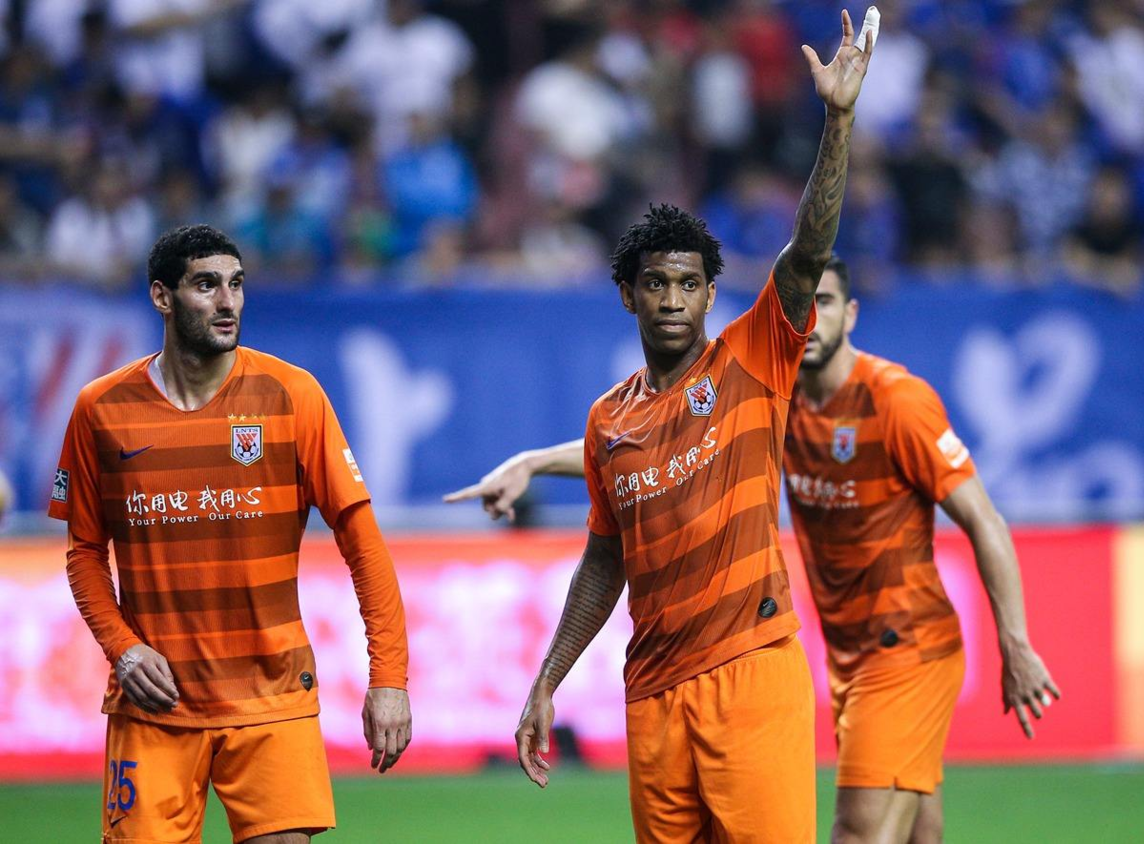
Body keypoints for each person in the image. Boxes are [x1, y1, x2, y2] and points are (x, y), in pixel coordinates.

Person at [447, 253, 1058, 843]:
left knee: (860, 832)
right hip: (846, 654)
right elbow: (643, 453)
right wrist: (533, 462)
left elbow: (985, 520)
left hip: (906, 646)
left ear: (851, 315)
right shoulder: (779, 403)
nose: (812, 318)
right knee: (917, 826)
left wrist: (1016, 642)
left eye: (826, 303)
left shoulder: (894, 401)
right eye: (808, 304)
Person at [451, 11, 875, 842]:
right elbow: (604, 559)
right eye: (655, 284)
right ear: (629, 296)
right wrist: (547, 680)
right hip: (651, 692)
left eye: (688, 283)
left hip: (751, 673)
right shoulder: (609, 420)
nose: (672, 299)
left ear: (711, 294)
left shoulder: (754, 358)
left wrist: (837, 120)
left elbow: (807, 248)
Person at [47, 224, 411, 844]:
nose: (227, 302)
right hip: (156, 706)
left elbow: (364, 546)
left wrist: (390, 679)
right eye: (206, 285)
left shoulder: (292, 395)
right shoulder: (99, 409)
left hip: (272, 699)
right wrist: (123, 648)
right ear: (162, 296)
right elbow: (83, 553)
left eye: (236, 285)